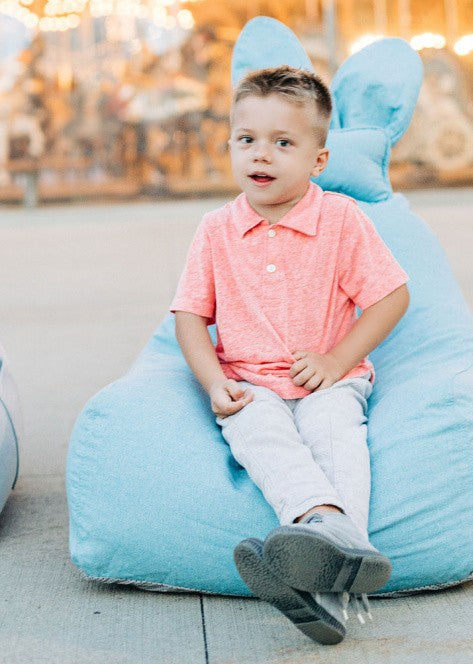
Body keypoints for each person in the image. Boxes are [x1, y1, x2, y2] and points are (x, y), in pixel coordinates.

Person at [172, 65, 409, 646]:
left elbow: (391, 296)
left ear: (317, 160)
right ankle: (337, 540)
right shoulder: (215, 230)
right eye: (247, 139)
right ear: (229, 145)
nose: (262, 154)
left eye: (283, 143)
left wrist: (336, 359)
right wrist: (212, 384)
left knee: (336, 435)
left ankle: (322, 568)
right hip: (251, 380)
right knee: (258, 434)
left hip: (328, 380)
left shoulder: (341, 220)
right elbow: (189, 318)